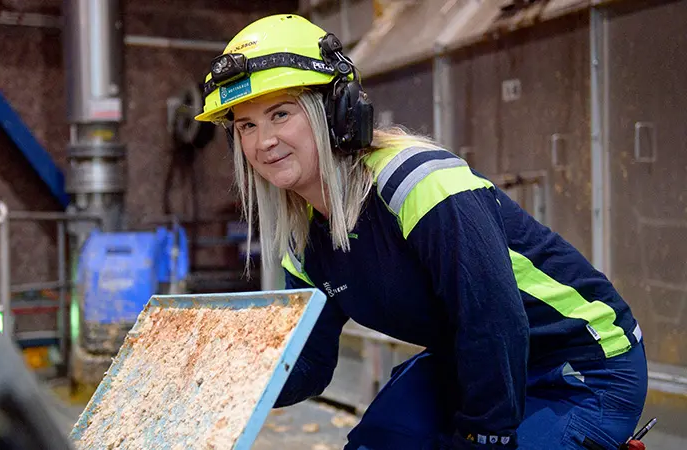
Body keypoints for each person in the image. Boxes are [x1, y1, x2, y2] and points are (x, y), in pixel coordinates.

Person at [194, 14, 648, 450]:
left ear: (333, 111)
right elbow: (310, 362)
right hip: (472, 362)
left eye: (280, 114)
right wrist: (222, 387)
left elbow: (494, 323)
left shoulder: (419, 182)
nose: (263, 141)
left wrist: (479, 439)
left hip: (582, 366)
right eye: (246, 126)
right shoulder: (301, 240)